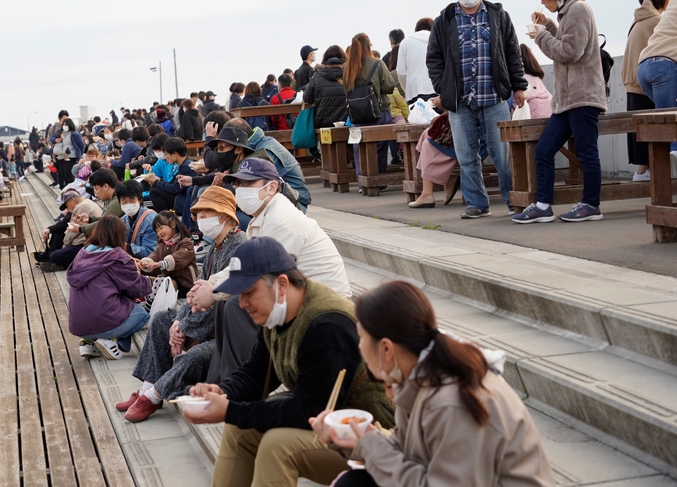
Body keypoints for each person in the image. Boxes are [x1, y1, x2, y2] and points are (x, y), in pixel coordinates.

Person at [184, 237, 394, 487]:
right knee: (238, 429)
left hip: (370, 433)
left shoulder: (327, 324)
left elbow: (308, 409)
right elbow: (258, 372)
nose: (242, 303)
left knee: (277, 445)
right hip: (322, 414)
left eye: (249, 292)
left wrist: (230, 410)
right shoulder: (277, 312)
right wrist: (223, 391)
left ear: (281, 284)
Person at [310, 281, 554, 487]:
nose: (359, 347)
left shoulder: (452, 402)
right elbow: (412, 453)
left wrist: (371, 447)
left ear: (386, 348)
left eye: (361, 338)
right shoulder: (420, 376)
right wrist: (355, 441)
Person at [188, 157, 352, 385]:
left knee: (236, 302)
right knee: (230, 299)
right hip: (292, 295)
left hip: (320, 308)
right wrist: (210, 285)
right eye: (237, 185)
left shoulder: (281, 219)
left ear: (271, 187)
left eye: (248, 184)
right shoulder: (263, 217)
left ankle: (239, 384)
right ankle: (225, 382)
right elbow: (246, 265)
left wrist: (213, 289)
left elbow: (258, 271)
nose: (240, 190)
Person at [118, 187, 247, 422]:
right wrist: (178, 322)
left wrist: (184, 328)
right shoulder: (216, 246)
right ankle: (148, 385)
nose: (202, 218)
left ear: (226, 216)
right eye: (200, 213)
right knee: (161, 320)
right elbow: (197, 290)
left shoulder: (239, 245)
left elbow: (219, 301)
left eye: (209, 212)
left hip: (226, 331)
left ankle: (153, 396)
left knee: (194, 356)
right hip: (203, 321)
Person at [427, 0, 527, 219]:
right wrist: (444, 88)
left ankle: (512, 200)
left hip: (494, 98)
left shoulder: (498, 16)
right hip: (460, 102)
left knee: (502, 154)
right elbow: (434, 59)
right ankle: (477, 203)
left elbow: (512, 52)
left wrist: (518, 87)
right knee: (466, 156)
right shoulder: (444, 20)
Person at [514, 0, 607, 224]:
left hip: (583, 96)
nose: (542, 2)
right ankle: (543, 206)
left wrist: (540, 36)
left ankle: (591, 205)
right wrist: (549, 25)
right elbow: (567, 40)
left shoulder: (578, 9)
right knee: (544, 150)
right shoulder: (571, 11)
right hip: (568, 100)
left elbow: (570, 51)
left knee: (586, 152)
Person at [67, 214, 152, 360]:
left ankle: (88, 343)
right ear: (119, 235)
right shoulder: (117, 257)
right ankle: (111, 341)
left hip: (78, 326)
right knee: (143, 314)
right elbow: (138, 289)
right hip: (105, 323)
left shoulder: (83, 253)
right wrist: (139, 273)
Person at [624, 0, 670, 181]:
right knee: (655, 128)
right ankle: (645, 172)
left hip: (632, 81)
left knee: (642, 130)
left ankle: (642, 172)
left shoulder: (638, 21)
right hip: (648, 82)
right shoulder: (657, 21)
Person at [345, 33, 398, 176]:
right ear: (369, 45)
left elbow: (345, 89)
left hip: (357, 114)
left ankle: (362, 178)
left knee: (359, 146)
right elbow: (388, 87)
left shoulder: (348, 68)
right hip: (378, 111)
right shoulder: (378, 64)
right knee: (379, 145)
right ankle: (377, 179)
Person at [637, 0, 677, 164]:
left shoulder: (673, 4)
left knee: (667, 117)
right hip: (664, 66)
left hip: (644, 67)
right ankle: (674, 151)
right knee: (669, 121)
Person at [40, 190, 102, 272]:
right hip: (88, 242)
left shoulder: (81, 207)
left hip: (87, 245)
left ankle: (61, 263)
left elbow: (72, 233)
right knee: (58, 233)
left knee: (54, 255)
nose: (68, 209)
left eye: (67, 206)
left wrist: (64, 246)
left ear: (73, 200)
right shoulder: (87, 202)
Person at [138, 211, 198, 297]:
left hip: (186, 283)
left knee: (164, 282)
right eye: (157, 231)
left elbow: (179, 259)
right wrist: (146, 263)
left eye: (161, 228)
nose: (159, 232)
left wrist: (160, 264)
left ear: (173, 224)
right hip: (168, 278)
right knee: (146, 280)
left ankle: (150, 304)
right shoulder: (162, 245)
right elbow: (155, 255)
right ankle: (148, 299)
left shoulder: (186, 243)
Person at [144, 138, 198, 214]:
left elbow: (175, 189)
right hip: (179, 196)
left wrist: (156, 181)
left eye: (166, 154)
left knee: (154, 191)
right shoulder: (184, 164)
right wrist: (158, 180)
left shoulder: (187, 167)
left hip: (182, 201)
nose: (165, 157)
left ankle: (165, 218)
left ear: (175, 154)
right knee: (155, 188)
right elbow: (173, 184)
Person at [303, 45, 350, 128]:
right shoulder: (349, 74)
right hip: (346, 123)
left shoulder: (317, 75)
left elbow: (307, 98)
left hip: (323, 125)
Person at [397, 18, 438, 103]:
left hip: (414, 93)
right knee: (439, 117)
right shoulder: (439, 40)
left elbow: (400, 72)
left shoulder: (405, 42)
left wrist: (407, 89)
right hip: (437, 92)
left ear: (415, 30)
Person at [118, 180, 158, 258]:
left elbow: (150, 251)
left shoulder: (150, 220)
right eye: (124, 201)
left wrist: (127, 247)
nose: (128, 204)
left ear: (140, 200)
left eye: (132, 200)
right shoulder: (123, 219)